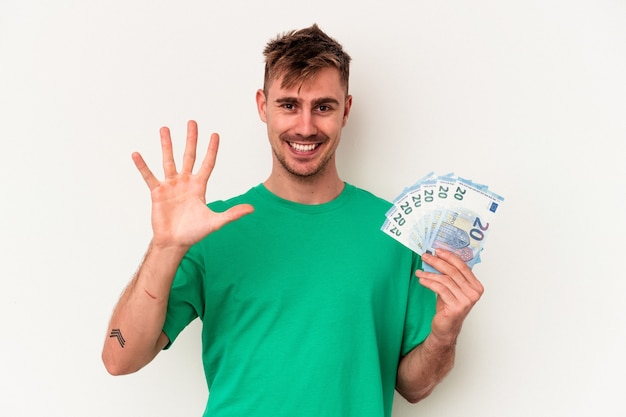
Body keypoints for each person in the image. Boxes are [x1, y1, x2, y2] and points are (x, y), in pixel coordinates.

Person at [102, 24, 483, 417]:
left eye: (323, 106)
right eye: (288, 105)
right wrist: (165, 247)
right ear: (262, 105)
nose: (305, 127)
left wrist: (444, 334)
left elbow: (414, 386)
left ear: (346, 110)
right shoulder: (210, 229)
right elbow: (120, 357)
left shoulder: (396, 232)